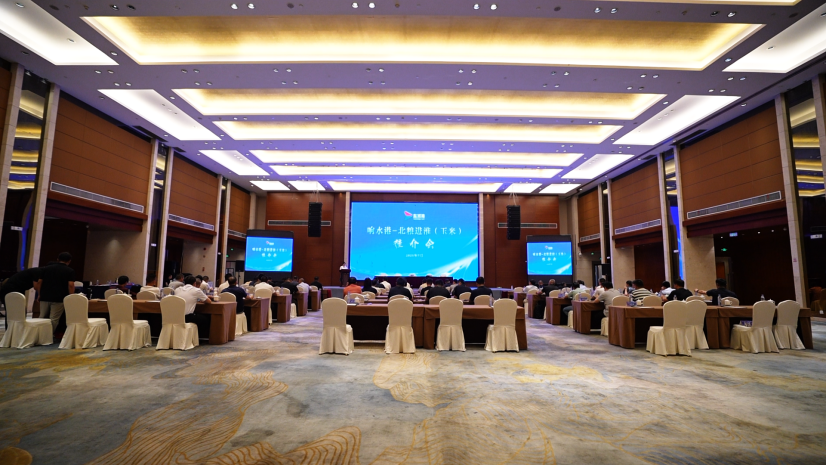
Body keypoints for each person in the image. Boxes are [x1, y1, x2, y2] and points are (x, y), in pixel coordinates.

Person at [38, 252, 76, 333]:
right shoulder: (70, 271)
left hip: (45, 296)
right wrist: (71, 297)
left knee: (42, 317)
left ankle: (39, 334)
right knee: (54, 318)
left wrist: (39, 294)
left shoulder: (46, 268)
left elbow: (39, 282)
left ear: (57, 259)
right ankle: (48, 335)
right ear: (69, 261)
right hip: (59, 298)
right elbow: (71, 285)